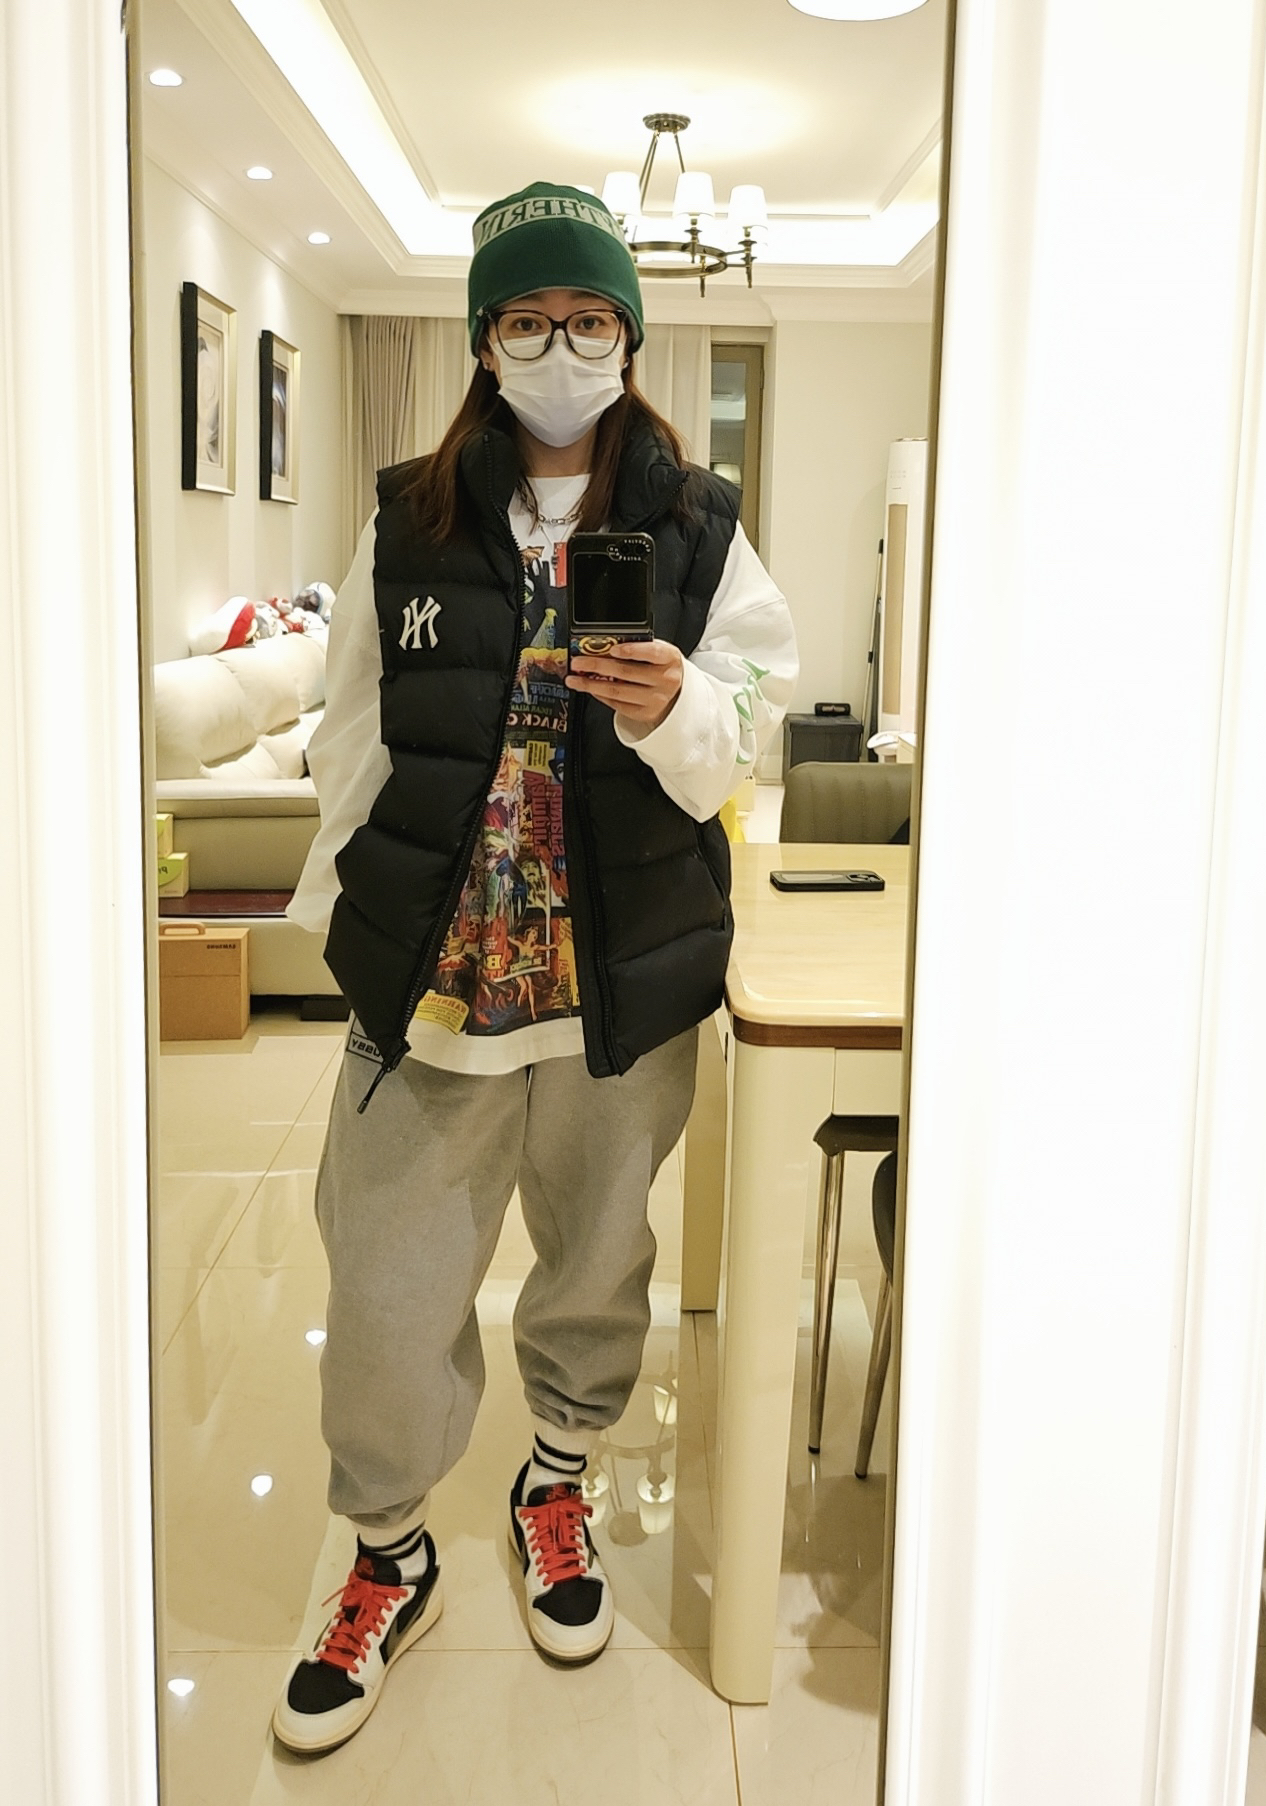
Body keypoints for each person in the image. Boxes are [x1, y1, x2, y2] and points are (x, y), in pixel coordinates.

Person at [272, 181, 798, 1755]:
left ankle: (555, 1481)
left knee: (595, 1259)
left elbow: (745, 737)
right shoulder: (409, 519)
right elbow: (351, 734)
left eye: (585, 320)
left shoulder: (701, 526)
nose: (557, 348)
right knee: (385, 1283)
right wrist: (348, 923)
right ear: (482, 340)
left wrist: (674, 708)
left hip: (616, 971)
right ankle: (388, 1552)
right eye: (525, 320)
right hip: (434, 968)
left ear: (625, 339)